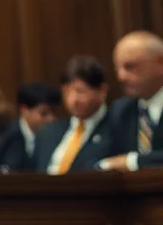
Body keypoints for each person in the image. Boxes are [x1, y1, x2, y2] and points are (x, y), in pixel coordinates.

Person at [32, 56, 113, 174]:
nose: (73, 99)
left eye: (80, 91)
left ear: (102, 91)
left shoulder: (115, 129)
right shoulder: (48, 132)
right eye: (66, 91)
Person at [101, 31, 163, 172]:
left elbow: (122, 161)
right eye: (117, 68)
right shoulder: (120, 110)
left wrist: (133, 161)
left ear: (161, 63)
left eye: (130, 66)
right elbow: (104, 157)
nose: (121, 77)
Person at [0, 82, 61, 172]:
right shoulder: (7, 137)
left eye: (54, 112)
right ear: (24, 110)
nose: (51, 119)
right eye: (44, 113)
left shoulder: (58, 134)